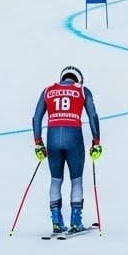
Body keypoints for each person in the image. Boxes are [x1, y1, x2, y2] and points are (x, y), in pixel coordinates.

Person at [32, 66, 102, 234]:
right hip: (74, 138)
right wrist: (96, 141)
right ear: (78, 79)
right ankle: (76, 221)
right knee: (76, 179)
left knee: (56, 180)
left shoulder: (48, 90)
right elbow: (92, 116)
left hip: (52, 138)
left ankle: (56, 221)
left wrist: (38, 142)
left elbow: (36, 118)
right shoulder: (82, 90)